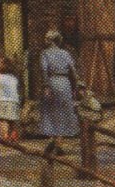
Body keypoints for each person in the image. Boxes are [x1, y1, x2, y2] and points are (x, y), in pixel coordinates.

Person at [31, 29, 84, 164]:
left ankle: (52, 140)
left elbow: (44, 70)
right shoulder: (65, 53)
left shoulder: (45, 54)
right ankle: (59, 142)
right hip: (64, 82)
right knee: (63, 110)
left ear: (50, 40)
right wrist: (76, 85)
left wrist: (46, 86)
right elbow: (73, 70)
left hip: (53, 82)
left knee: (50, 110)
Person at [0, 64, 22, 142]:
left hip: (2, 101)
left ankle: (5, 136)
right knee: (12, 119)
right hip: (14, 101)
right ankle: (13, 134)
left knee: (2, 119)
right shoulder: (14, 78)